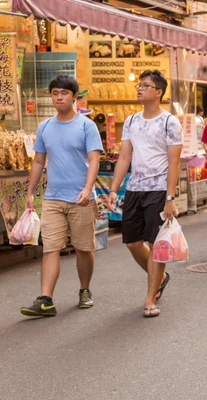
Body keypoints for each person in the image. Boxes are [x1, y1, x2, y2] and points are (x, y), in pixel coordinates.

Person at [20, 76, 103, 318]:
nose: (59, 97)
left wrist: (88, 189)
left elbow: (94, 159)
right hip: (53, 198)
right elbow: (38, 161)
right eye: (55, 93)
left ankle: (85, 290)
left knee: (83, 247)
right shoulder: (45, 127)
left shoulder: (86, 126)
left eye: (64, 93)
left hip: (80, 197)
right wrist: (30, 192)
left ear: (74, 96)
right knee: (51, 248)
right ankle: (46, 300)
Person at [108, 70, 183, 318]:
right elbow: (125, 157)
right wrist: (113, 188)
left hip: (159, 190)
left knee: (155, 243)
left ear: (158, 92)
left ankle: (150, 298)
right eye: (138, 85)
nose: (139, 88)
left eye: (145, 85)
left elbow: (174, 163)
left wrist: (170, 198)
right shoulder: (131, 121)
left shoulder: (169, 122)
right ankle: (160, 277)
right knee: (131, 242)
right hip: (134, 189)